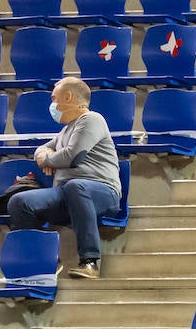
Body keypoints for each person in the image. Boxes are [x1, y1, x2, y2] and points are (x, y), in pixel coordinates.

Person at [8, 76, 121, 279]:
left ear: (68, 97)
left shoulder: (92, 120)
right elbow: (41, 150)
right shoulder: (66, 130)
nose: (52, 105)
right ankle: (46, 261)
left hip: (102, 192)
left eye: (54, 98)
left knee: (76, 187)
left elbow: (73, 157)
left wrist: (50, 159)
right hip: (67, 194)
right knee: (19, 202)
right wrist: (47, 158)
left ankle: (89, 261)